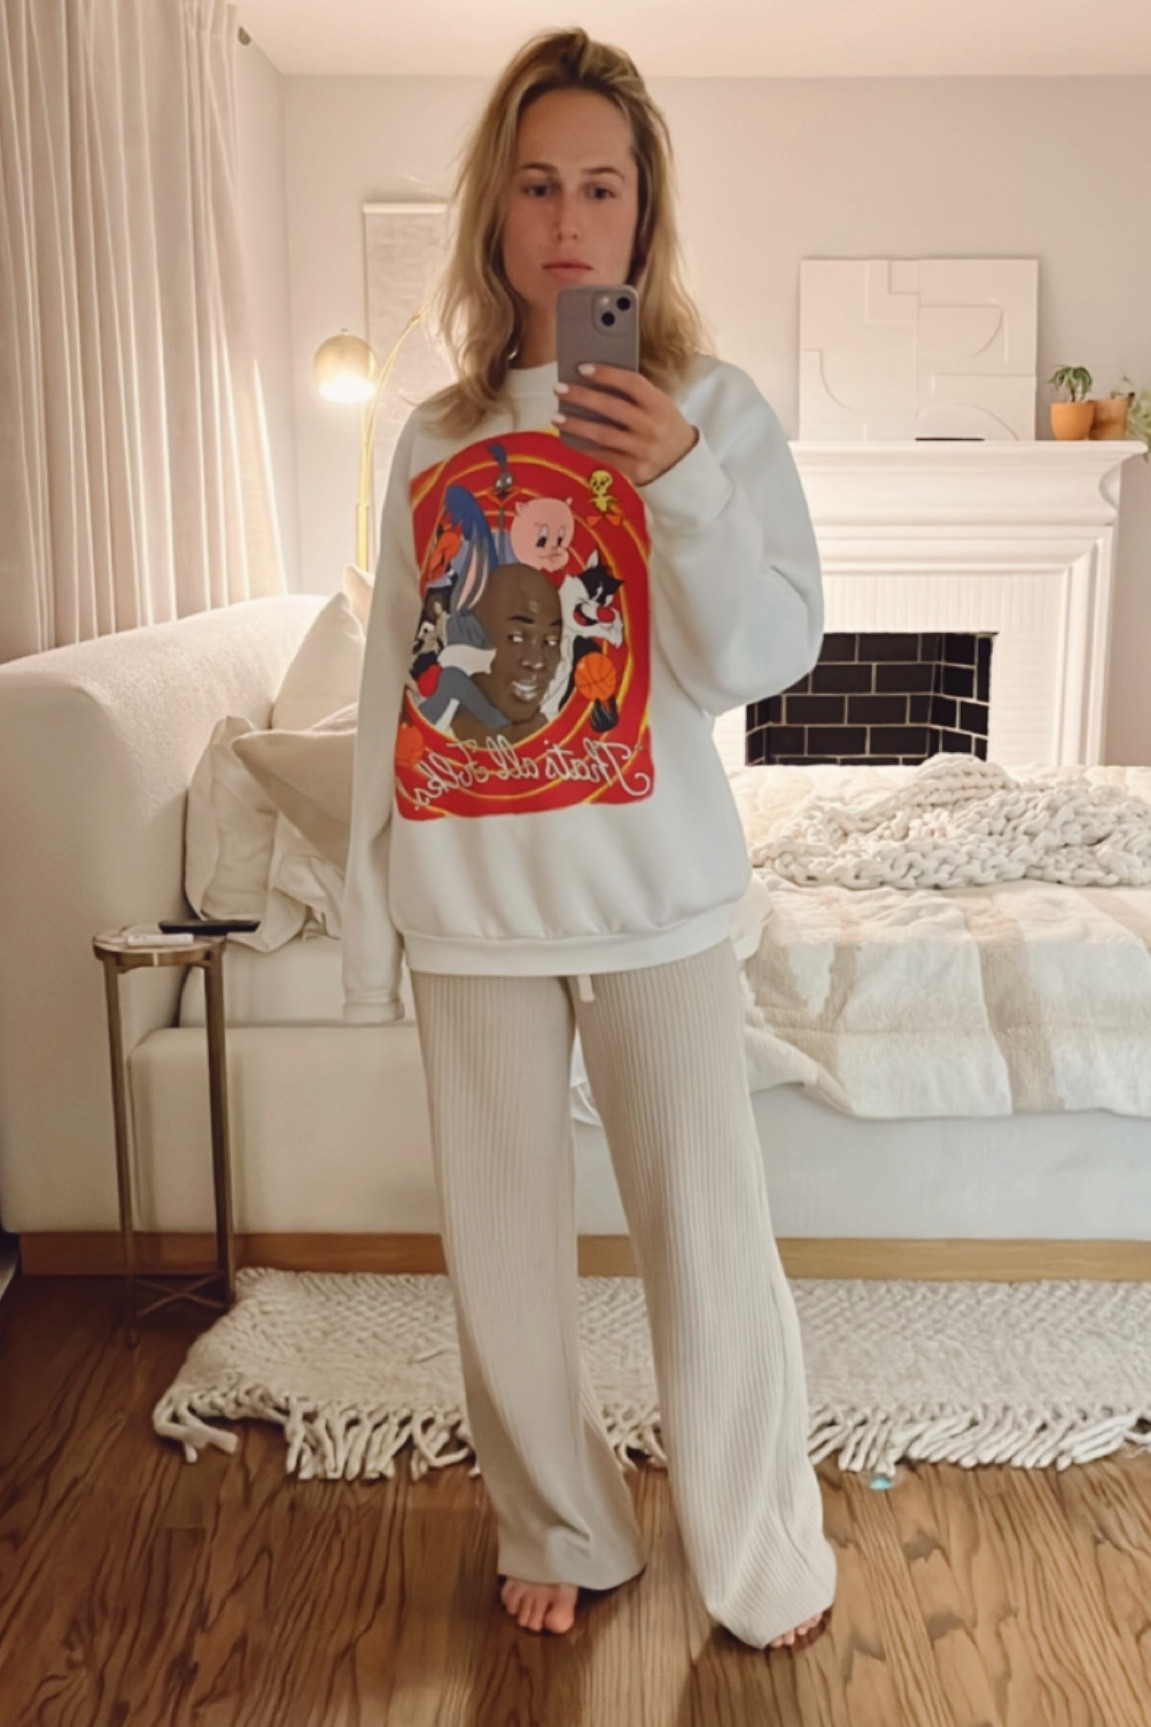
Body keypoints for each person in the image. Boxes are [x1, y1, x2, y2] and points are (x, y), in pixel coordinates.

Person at [343, 27, 837, 1651]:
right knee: (500, 1254)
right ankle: (560, 1520)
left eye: (603, 188)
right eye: (539, 184)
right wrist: (372, 905)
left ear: (644, 216)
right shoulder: (435, 436)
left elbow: (760, 655)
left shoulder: (711, 409)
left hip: (658, 897)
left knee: (709, 1239)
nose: (569, 220)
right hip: (469, 902)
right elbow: (394, 680)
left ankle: (758, 1548)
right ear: (496, 213)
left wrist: (677, 475)